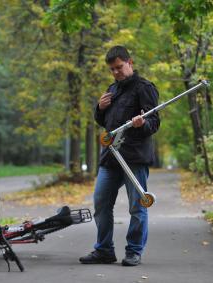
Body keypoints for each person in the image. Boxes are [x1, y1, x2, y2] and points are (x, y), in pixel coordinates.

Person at [79, 45, 160, 266]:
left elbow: (155, 123)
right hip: (111, 157)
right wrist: (100, 108)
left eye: (119, 67)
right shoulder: (112, 89)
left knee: (137, 205)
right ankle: (104, 250)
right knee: (101, 202)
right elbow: (105, 122)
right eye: (112, 69)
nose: (116, 72)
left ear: (130, 63)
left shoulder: (145, 88)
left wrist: (142, 123)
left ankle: (134, 251)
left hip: (134, 157)